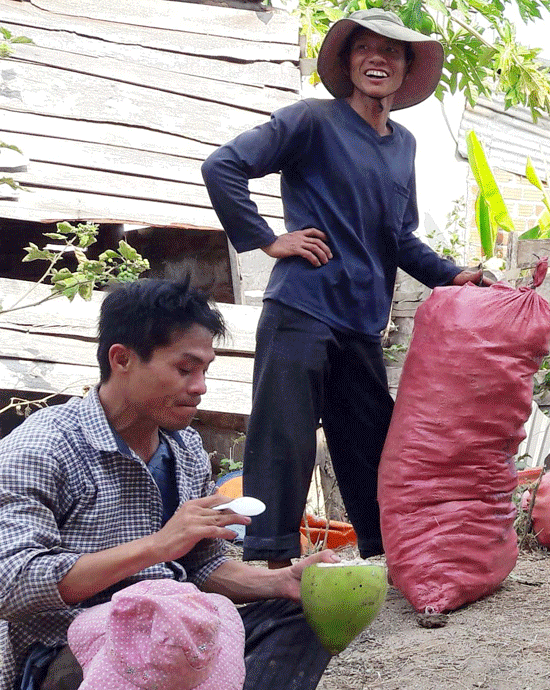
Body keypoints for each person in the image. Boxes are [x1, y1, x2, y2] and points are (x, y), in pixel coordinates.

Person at [201, 8, 492, 569]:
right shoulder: (312, 120)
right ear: (348, 61)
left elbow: (398, 237)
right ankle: (269, 565)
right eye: (365, 48)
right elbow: (224, 166)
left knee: (371, 446)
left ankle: (388, 559)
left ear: (407, 69)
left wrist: (452, 274)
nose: (377, 59)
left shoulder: (402, 144)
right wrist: (267, 239)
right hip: (302, 309)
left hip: (361, 322)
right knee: (283, 442)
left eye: (392, 51)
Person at [0, 278, 340, 690]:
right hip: (69, 651)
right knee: (152, 641)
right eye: (184, 369)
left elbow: (200, 566)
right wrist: (158, 546)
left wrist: (279, 582)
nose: (200, 387)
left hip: (173, 638)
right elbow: (12, 584)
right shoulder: (42, 447)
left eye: (204, 370)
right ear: (122, 359)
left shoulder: (186, 449)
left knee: (305, 611)